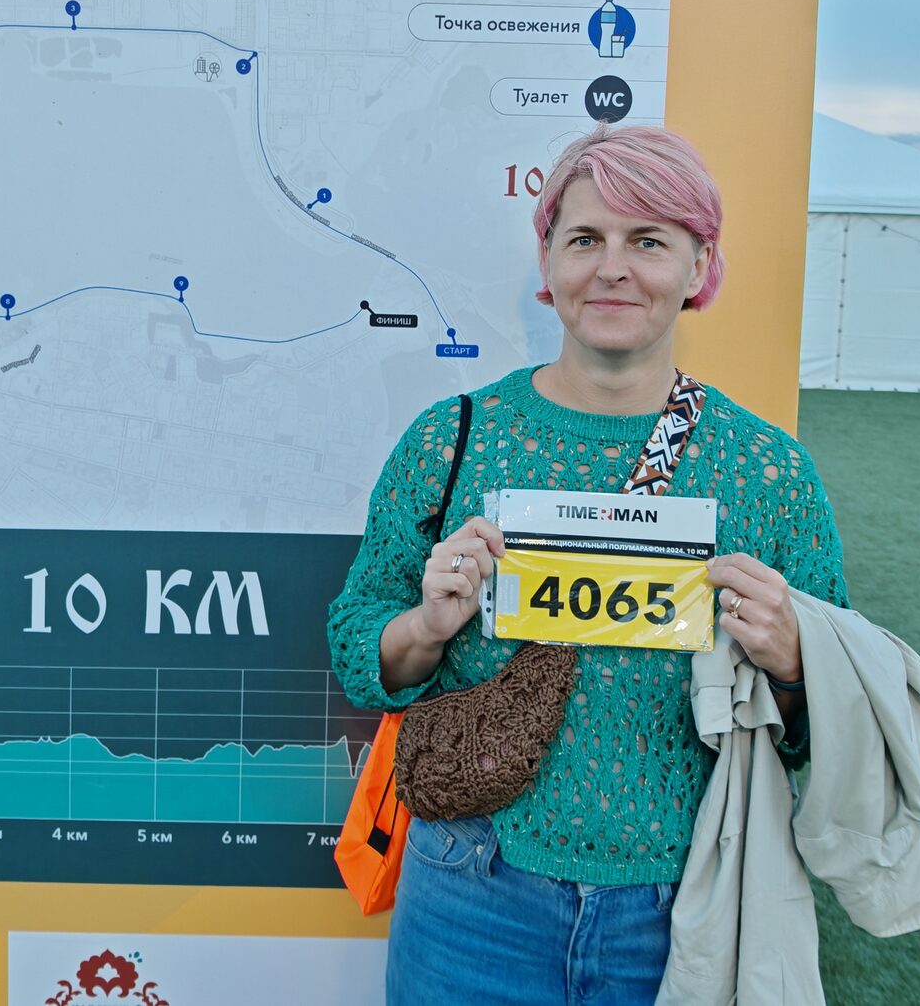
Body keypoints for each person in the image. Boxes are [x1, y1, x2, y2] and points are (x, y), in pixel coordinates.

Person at [327, 122, 849, 1006]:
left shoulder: (770, 474)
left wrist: (798, 662)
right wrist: (424, 626)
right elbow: (356, 646)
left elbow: (823, 730)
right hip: (470, 894)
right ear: (548, 262)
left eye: (648, 241)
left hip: (683, 908)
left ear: (699, 265)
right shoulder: (451, 441)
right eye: (584, 240)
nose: (613, 268)